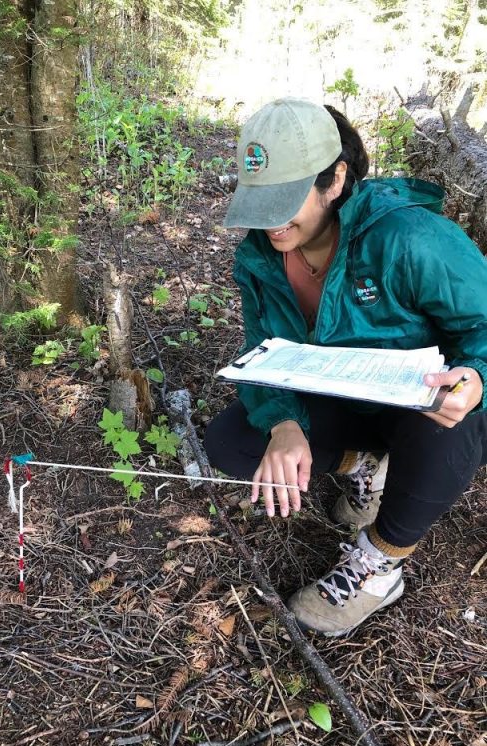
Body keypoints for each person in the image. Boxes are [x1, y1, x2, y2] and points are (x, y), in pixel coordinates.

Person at [204, 97, 487, 637]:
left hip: (426, 405)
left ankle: (381, 563)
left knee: (447, 424)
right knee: (234, 441)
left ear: (335, 180)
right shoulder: (261, 257)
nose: (269, 223)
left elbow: (483, 325)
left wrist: (476, 379)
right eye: (258, 202)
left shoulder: (411, 239)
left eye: (285, 201)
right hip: (346, 397)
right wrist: (285, 425)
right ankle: (364, 467)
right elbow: (262, 348)